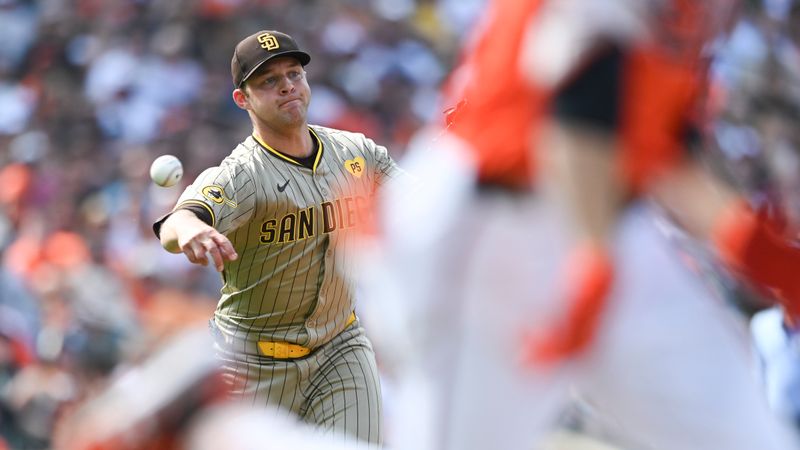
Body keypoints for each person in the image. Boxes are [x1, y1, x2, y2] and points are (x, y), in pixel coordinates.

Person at [366, 1, 800, 449]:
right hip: (497, 221)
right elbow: (576, 103)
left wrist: (768, 258)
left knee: (745, 439)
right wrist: (593, 257)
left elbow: (663, 149)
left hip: (615, 225)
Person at [153, 29, 402, 446]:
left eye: (293, 74)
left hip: (340, 347)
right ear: (243, 99)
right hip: (251, 362)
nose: (287, 85)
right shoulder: (244, 174)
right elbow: (181, 219)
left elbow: (417, 203)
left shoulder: (355, 152)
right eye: (269, 81)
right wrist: (192, 229)